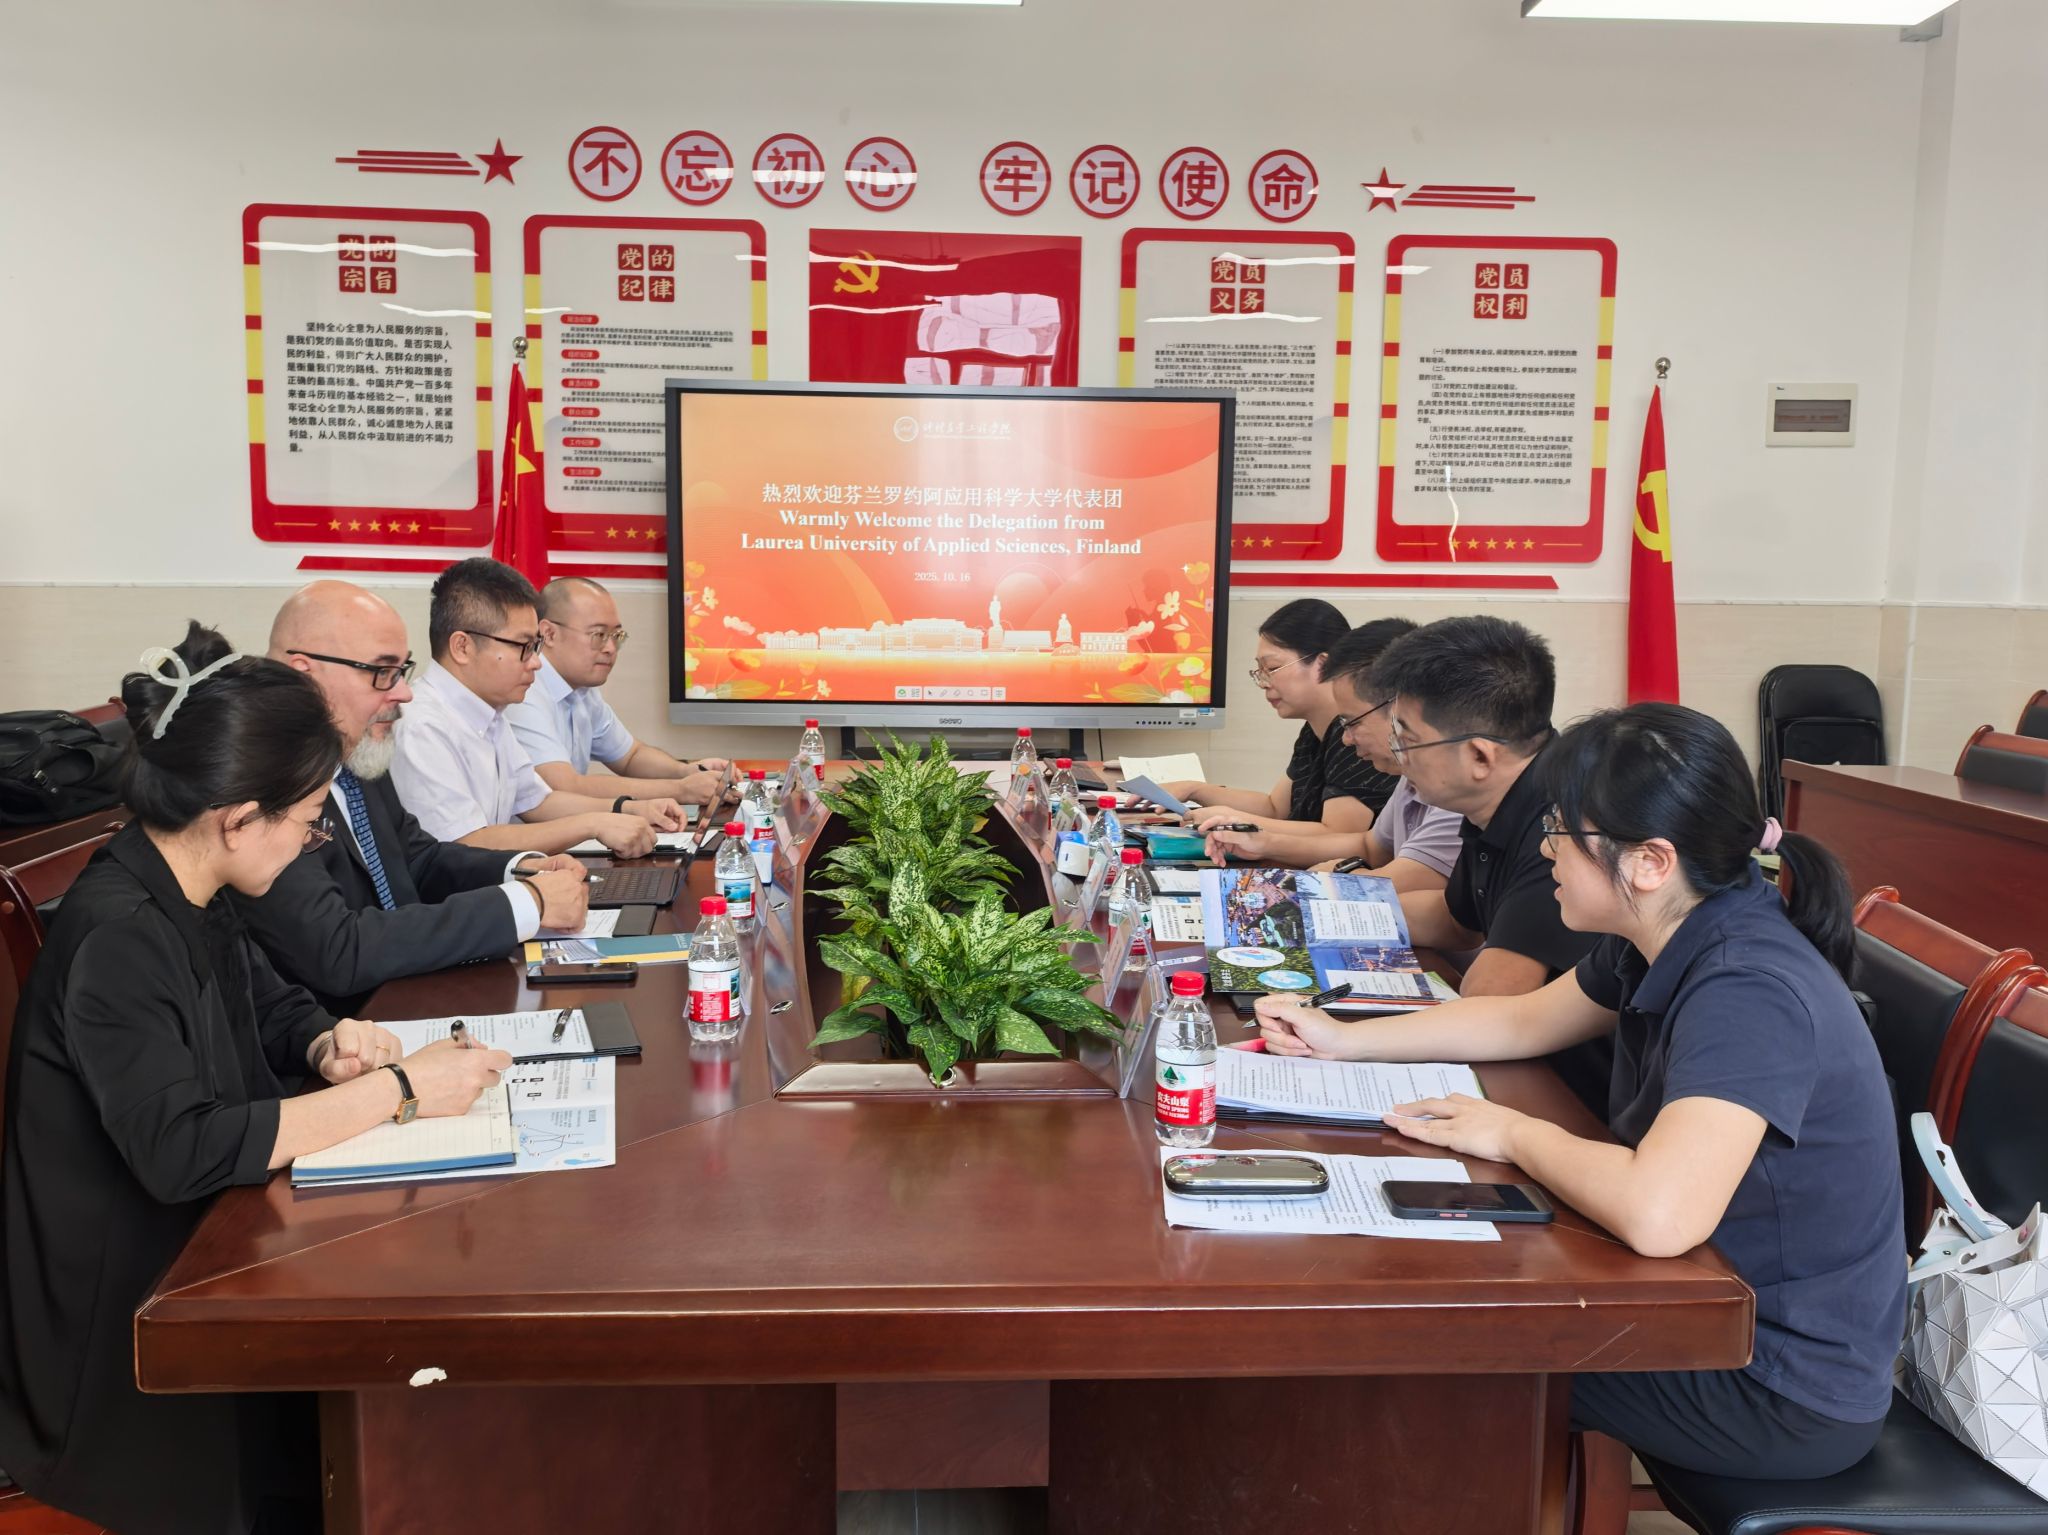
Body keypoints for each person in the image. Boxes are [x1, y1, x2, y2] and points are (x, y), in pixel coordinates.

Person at [1256, 703, 1905, 1482]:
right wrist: (1340, 1040)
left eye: (1561, 830)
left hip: (1773, 1379)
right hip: (1701, 1303)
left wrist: (1512, 1131)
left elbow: (1659, 1214)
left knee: (1425, 1342)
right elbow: (1520, 1020)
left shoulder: (1748, 987)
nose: (1545, 848)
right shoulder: (1667, 929)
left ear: (1650, 861)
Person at [0, 625, 514, 1534]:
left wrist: (325, 1045)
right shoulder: (119, 932)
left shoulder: (189, 883)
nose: (315, 839)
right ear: (237, 818)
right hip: (130, 1329)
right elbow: (181, 1149)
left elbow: (270, 1001)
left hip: (207, 1247)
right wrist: (398, 1092)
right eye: (309, 817)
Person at [226, 581, 592, 1016]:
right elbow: (337, 949)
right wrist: (525, 903)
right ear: (305, 673)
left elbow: (418, 859)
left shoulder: (357, 751)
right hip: (336, 1030)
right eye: (382, 672)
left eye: (402, 670)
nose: (404, 692)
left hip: (411, 995)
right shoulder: (261, 780)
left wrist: (523, 869)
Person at [390, 559, 683, 855]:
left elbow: (537, 802)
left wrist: (627, 809)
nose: (536, 662)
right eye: (524, 647)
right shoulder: (422, 727)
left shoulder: (491, 714)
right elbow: (465, 843)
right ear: (463, 647)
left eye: (535, 647)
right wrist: (593, 824)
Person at [1203, 619, 1462, 893]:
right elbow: (1369, 846)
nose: (1346, 738)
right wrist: (1263, 843)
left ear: (1403, 708)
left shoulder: (1455, 789)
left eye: (1353, 722)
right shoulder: (1411, 777)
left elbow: (1397, 888)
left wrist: (1339, 875)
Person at [1165, 600, 1396, 855]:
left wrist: (1236, 822)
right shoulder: (1313, 731)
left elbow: (1338, 834)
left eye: (1272, 668)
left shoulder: (1358, 736)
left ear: (1323, 665)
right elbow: (1275, 808)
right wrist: (1195, 789)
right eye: (1260, 671)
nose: (1264, 683)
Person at [506, 576, 731, 811]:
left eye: (616, 636)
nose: (610, 648)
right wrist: (681, 790)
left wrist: (686, 771)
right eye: (599, 635)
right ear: (549, 634)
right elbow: (564, 786)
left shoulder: (583, 690)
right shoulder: (524, 690)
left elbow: (631, 756)